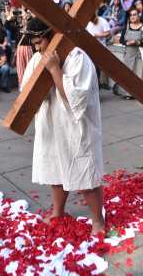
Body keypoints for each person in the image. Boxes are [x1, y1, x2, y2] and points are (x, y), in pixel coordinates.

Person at [21, 17, 105, 236]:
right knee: (55, 169)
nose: (36, 47)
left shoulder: (78, 57)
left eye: (39, 42)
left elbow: (74, 98)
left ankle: (98, 221)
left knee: (85, 175)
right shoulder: (37, 57)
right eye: (34, 43)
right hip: (52, 123)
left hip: (77, 127)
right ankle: (58, 211)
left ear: (51, 36)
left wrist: (54, 69)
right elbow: (27, 91)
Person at [117, 9, 143, 99]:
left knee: (139, 74)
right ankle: (128, 93)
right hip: (128, 55)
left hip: (139, 55)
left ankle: (139, 93)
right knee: (128, 75)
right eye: (131, 15)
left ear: (138, 16)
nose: (132, 16)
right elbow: (121, 40)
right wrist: (126, 42)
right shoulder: (126, 27)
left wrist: (137, 42)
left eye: (134, 14)